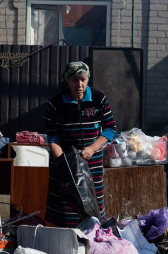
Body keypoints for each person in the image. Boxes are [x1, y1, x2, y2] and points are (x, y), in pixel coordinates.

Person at [44, 61, 117, 227]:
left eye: (83, 79)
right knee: (65, 208)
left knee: (93, 209)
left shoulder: (98, 98)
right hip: (65, 163)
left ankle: (92, 243)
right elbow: (53, 138)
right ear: (67, 81)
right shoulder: (55, 104)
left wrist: (91, 149)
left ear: (88, 79)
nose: (79, 84)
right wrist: (65, 165)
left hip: (92, 163)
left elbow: (110, 129)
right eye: (75, 80)